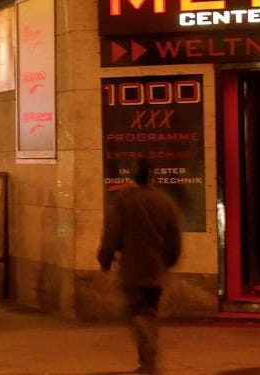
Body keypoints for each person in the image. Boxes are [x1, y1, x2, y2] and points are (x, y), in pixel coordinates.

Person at [98, 158, 184, 375]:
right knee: (150, 313)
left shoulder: (123, 202)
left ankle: (149, 360)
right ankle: (147, 363)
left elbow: (111, 235)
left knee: (135, 313)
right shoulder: (165, 202)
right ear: (151, 176)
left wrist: (105, 259)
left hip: (132, 270)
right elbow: (174, 238)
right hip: (156, 271)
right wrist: (168, 262)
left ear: (132, 176)